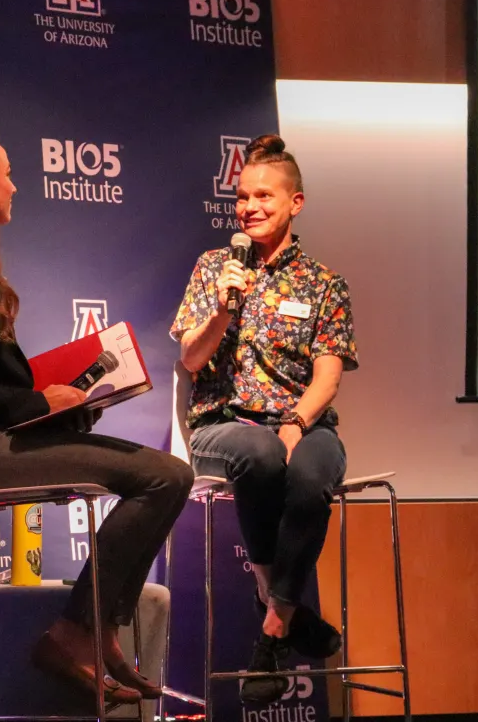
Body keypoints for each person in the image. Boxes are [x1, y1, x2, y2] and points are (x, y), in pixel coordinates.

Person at [0, 129, 193, 706]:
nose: (16, 186)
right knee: (165, 475)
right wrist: (41, 404)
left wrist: (67, 402)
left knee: (167, 474)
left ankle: (96, 633)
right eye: (8, 173)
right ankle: (77, 634)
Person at [170, 134, 358, 705]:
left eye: (264, 197)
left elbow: (328, 375)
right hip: (222, 427)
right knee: (261, 453)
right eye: (242, 198)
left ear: (295, 203)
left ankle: (274, 628)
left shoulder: (324, 283)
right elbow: (191, 359)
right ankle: (283, 606)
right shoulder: (213, 269)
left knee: (310, 473)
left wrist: (299, 422)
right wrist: (225, 309)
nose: (250, 207)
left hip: (304, 425)